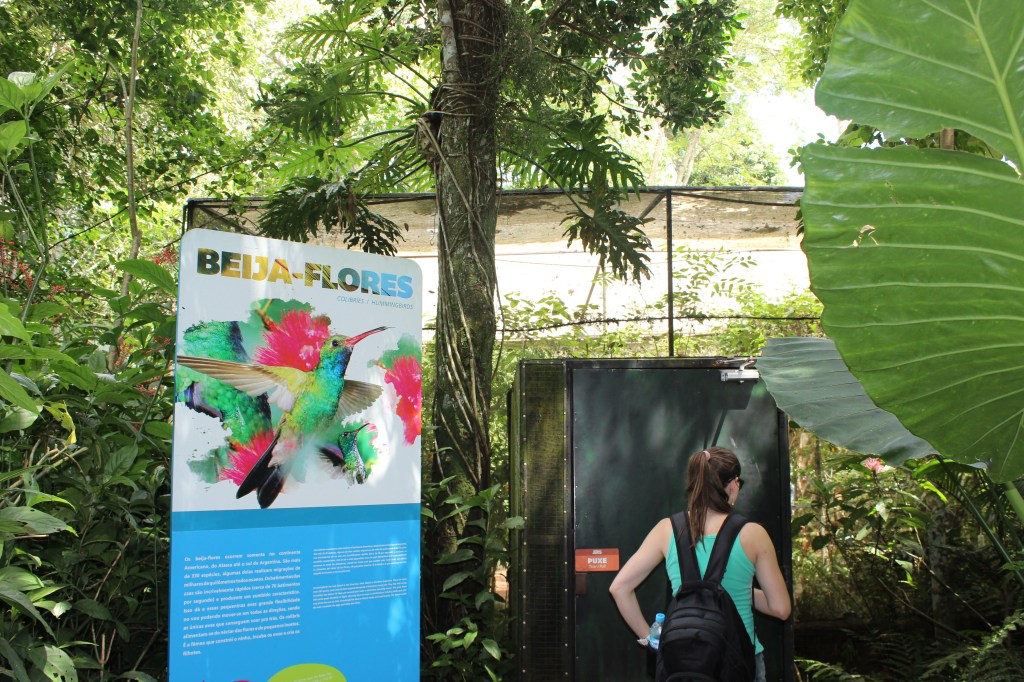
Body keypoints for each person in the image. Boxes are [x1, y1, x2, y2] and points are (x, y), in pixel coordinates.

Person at [609, 446, 792, 682]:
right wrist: (742, 591)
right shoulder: (753, 534)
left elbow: (619, 588)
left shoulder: (668, 530)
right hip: (739, 662)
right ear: (733, 484)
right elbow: (781, 609)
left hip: (681, 662)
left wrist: (653, 641)